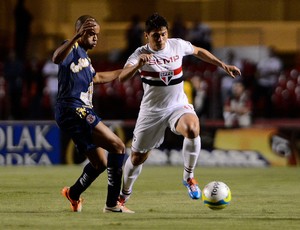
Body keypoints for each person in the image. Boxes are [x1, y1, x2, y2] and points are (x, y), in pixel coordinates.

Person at [118, 13, 241, 209]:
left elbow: (199, 51)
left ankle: (189, 177)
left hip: (177, 105)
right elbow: (122, 78)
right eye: (155, 35)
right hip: (152, 111)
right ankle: (123, 195)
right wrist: (139, 64)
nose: (160, 39)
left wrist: (222, 65)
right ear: (146, 35)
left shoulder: (177, 45)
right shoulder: (139, 54)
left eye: (163, 34)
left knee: (192, 128)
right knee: (137, 157)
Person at [52, 15, 133, 213]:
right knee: (118, 146)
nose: (95, 38)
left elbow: (98, 77)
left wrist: (130, 69)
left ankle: (73, 193)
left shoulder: (86, 60)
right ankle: (113, 204)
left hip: (75, 111)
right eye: (90, 33)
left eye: (96, 34)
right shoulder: (71, 48)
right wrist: (74, 38)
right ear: (80, 33)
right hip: (74, 108)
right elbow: (56, 58)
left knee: (99, 163)